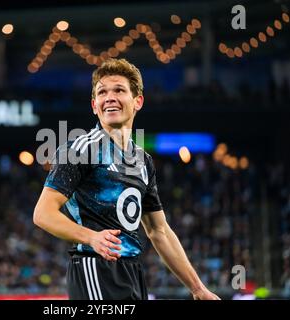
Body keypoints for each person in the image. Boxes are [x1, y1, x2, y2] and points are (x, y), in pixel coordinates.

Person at [33, 58, 220, 300]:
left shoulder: (143, 161)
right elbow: (43, 214)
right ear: (94, 105)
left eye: (119, 90)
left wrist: (198, 289)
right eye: (102, 92)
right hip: (94, 268)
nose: (109, 97)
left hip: (132, 271)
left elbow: (158, 231)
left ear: (137, 101)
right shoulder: (78, 150)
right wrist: (91, 237)